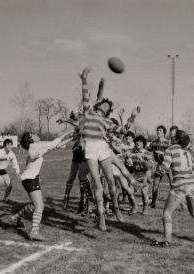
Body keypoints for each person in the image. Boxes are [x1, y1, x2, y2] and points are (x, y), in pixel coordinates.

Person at [79, 67, 125, 231]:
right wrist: (84, 79)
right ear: (99, 105)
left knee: (111, 182)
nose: (105, 106)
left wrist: (130, 117)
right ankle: (101, 217)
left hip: (102, 147)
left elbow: (122, 129)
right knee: (97, 185)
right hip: (90, 148)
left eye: (108, 106)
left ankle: (116, 208)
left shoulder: (106, 122)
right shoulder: (89, 111)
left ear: (108, 111)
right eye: (104, 104)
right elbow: (85, 96)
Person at [151, 130, 194, 247]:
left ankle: (167, 240)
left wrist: (153, 175)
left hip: (179, 185)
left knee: (167, 213)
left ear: (176, 139)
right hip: (193, 185)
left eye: (172, 137)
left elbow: (164, 167)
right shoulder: (188, 153)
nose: (170, 138)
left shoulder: (169, 150)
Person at [12, 130, 73, 241]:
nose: (37, 134)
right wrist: (68, 132)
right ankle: (34, 233)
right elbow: (54, 143)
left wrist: (74, 138)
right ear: (31, 138)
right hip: (30, 180)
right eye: (34, 134)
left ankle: (16, 218)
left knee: (35, 205)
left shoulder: (35, 147)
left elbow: (57, 146)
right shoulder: (35, 146)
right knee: (39, 206)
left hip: (29, 179)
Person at [124, 135, 154, 215]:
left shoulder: (147, 153)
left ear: (143, 143)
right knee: (130, 191)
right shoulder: (133, 151)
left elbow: (150, 166)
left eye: (140, 141)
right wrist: (130, 162)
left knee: (144, 193)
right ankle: (134, 206)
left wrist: (141, 159)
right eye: (136, 141)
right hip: (135, 174)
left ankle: (145, 208)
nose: (138, 143)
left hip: (145, 174)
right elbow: (127, 156)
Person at [147, 125, 172, 208]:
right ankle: (153, 203)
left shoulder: (168, 143)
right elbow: (148, 149)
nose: (158, 131)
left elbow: (172, 154)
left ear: (164, 133)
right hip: (160, 165)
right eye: (157, 130)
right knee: (155, 184)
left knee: (173, 184)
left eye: (160, 130)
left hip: (169, 166)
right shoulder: (154, 143)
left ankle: (181, 204)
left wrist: (162, 154)